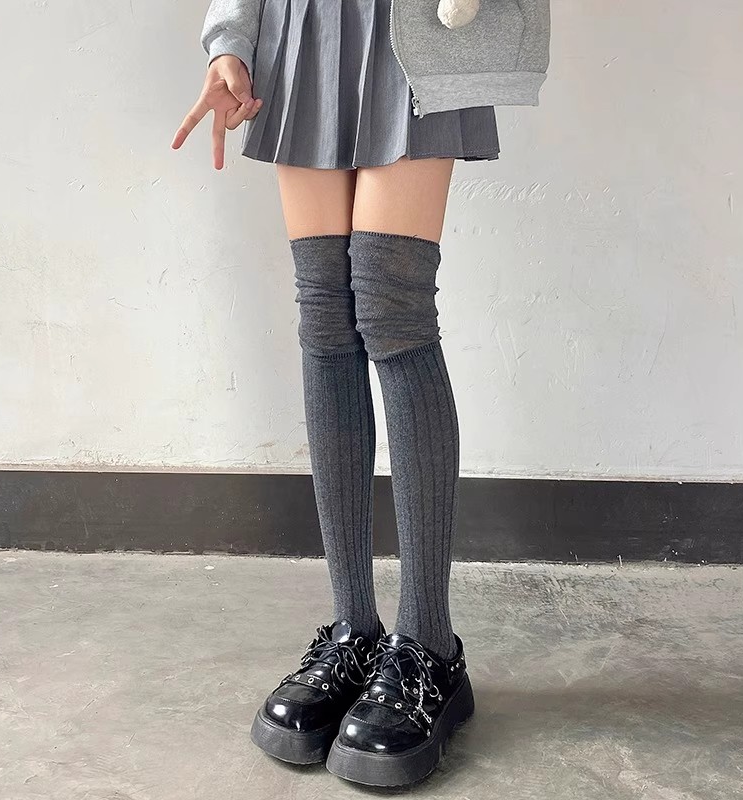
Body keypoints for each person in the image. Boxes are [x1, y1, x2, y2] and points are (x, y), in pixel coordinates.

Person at [172, 0, 550, 787]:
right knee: (326, 317)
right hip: (302, 30)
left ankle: (429, 647)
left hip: (416, 30)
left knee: (391, 309)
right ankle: (354, 630)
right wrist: (229, 40)